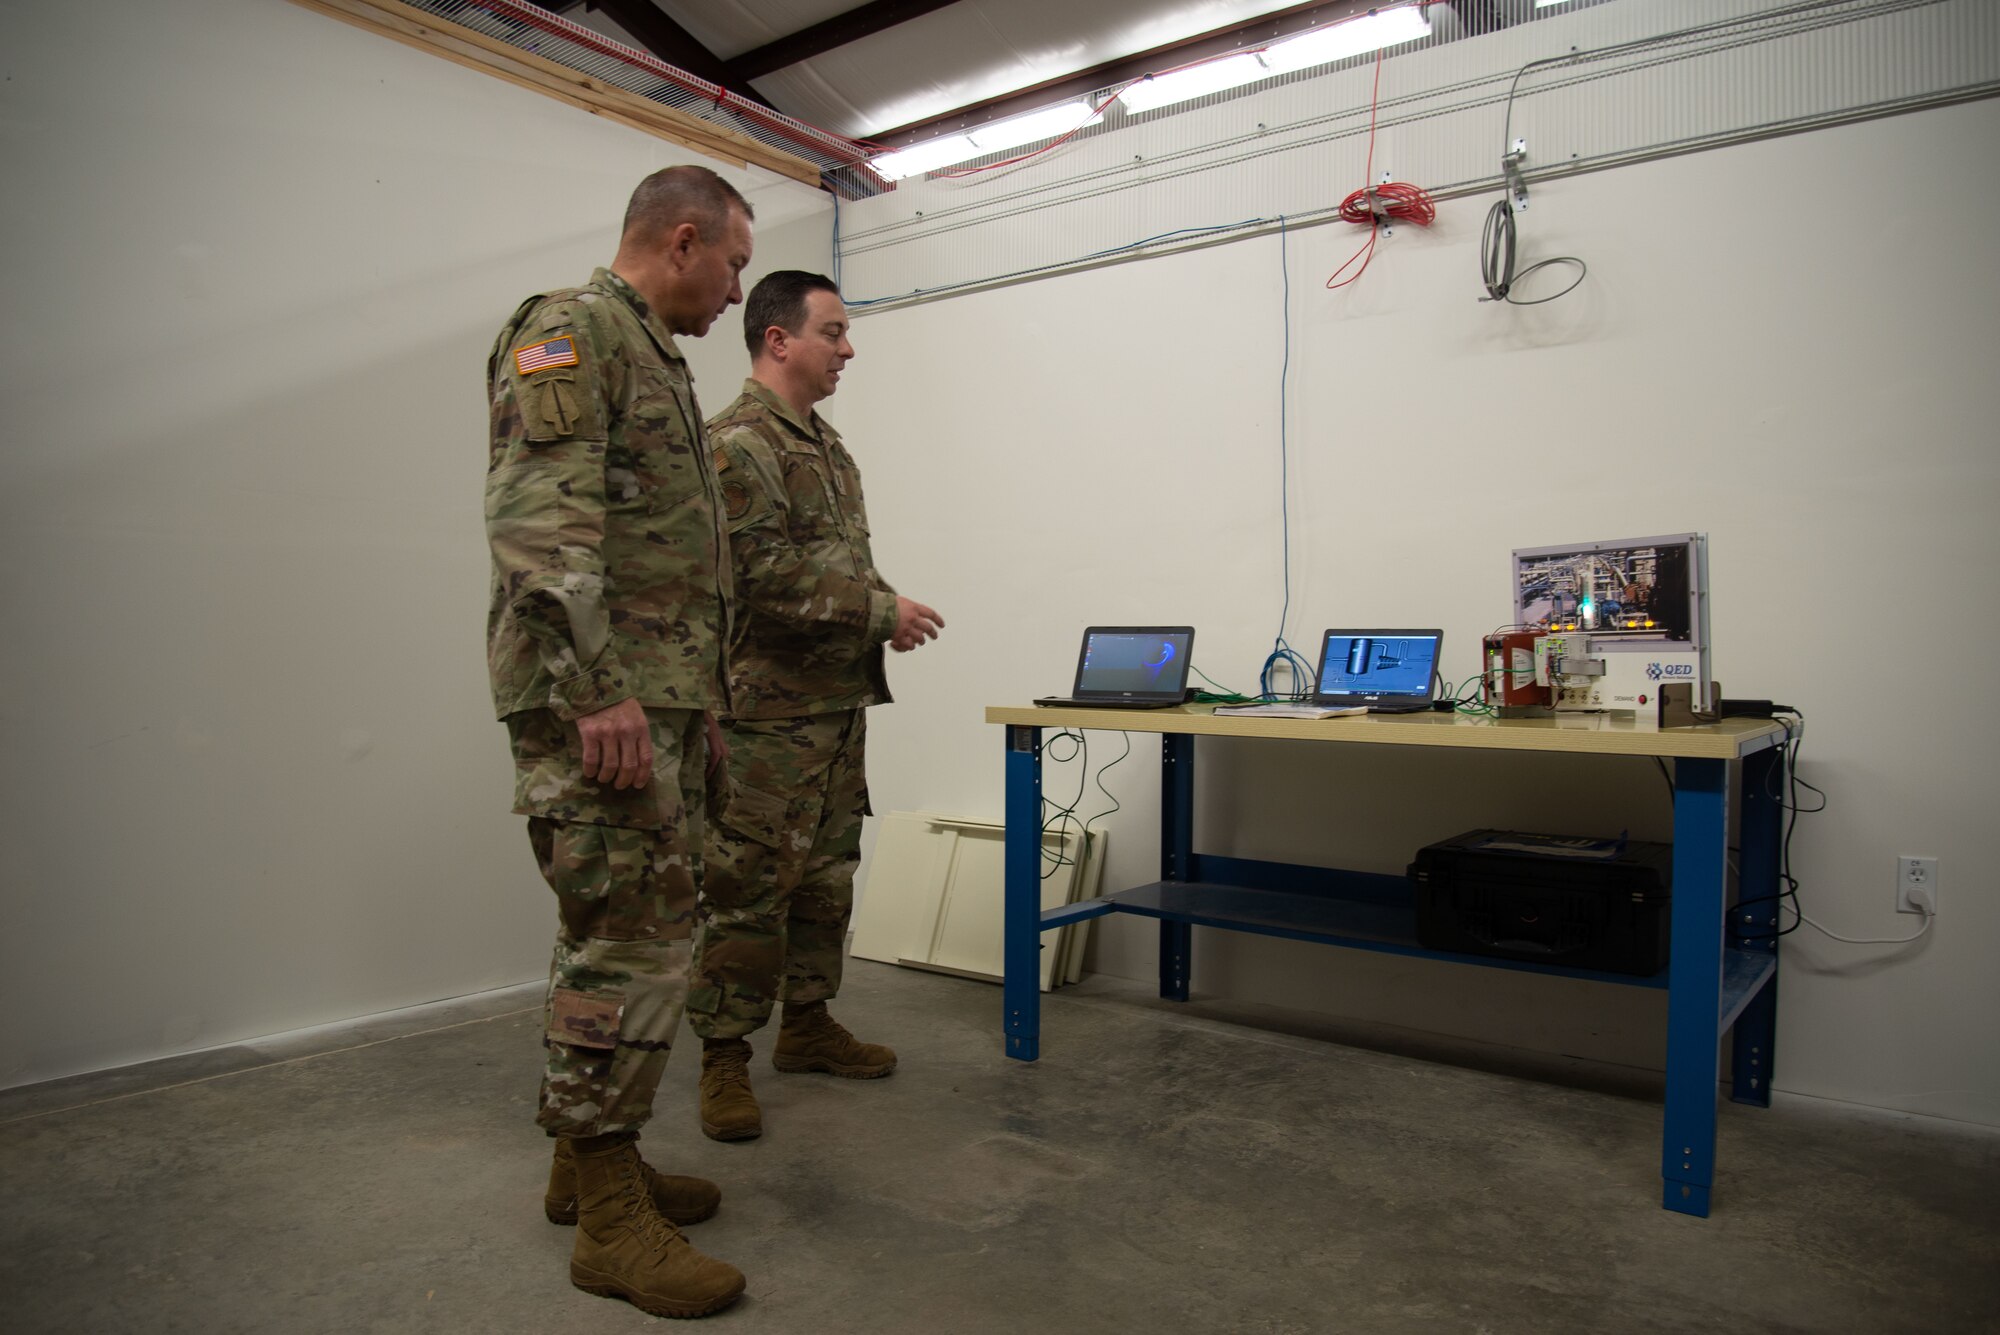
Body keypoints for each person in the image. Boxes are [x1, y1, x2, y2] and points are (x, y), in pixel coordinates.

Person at [484, 164, 753, 1320]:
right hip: (602, 706)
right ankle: (607, 1219)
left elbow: (675, 563)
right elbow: (539, 526)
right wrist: (597, 692)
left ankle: (583, 1160)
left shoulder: (654, 355)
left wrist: (705, 718)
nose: (738, 288)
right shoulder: (571, 332)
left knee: (620, 931)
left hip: (660, 706)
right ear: (682, 240)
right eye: (735, 262)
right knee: (627, 945)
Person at [687, 270, 943, 1142]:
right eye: (832, 331)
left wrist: (883, 609)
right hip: (763, 720)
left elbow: (835, 562)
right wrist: (878, 610)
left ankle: (805, 1026)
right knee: (746, 889)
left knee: (826, 879)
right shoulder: (735, 445)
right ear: (777, 339)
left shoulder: (826, 448)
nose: (848, 347)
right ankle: (724, 1057)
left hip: (834, 709)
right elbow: (755, 575)